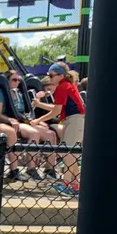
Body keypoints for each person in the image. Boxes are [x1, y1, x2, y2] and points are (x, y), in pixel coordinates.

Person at [31, 62, 84, 197]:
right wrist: (40, 104)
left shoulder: (62, 87)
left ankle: (74, 183)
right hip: (73, 120)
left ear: (60, 75)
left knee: (68, 154)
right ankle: (72, 184)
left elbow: (56, 112)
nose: (50, 78)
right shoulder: (67, 85)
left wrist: (38, 120)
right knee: (70, 154)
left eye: (51, 75)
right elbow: (58, 108)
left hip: (74, 120)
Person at [0, 70, 58, 182]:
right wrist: (10, 119)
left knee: (50, 134)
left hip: (24, 121)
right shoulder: (1, 94)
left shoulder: (19, 93)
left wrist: (35, 120)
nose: (17, 82)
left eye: (18, 80)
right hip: (10, 121)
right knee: (34, 133)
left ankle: (49, 169)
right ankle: (31, 168)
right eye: (14, 80)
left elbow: (25, 112)